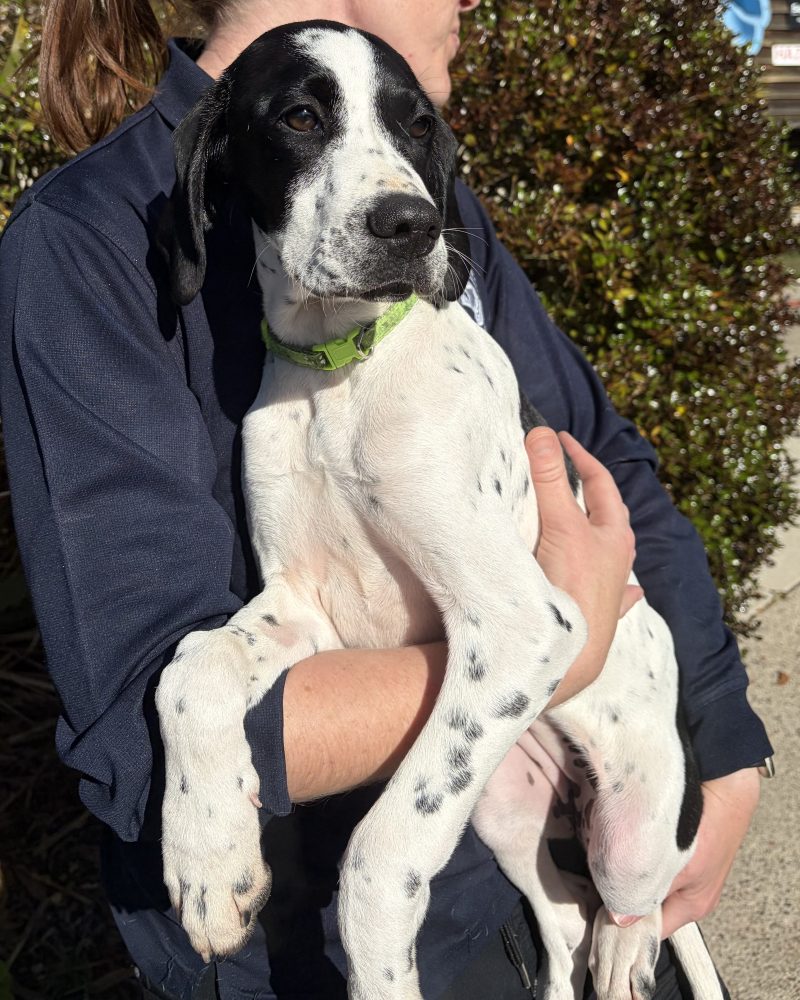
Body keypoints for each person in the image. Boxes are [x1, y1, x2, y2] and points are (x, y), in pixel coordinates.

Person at [0, 1, 771, 997]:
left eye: (410, 139)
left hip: (545, 875)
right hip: (313, 953)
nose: (464, 4)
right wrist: (554, 648)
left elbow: (603, 454)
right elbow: (133, 731)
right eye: (307, 124)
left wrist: (718, 741)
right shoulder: (86, 245)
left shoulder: (416, 205)